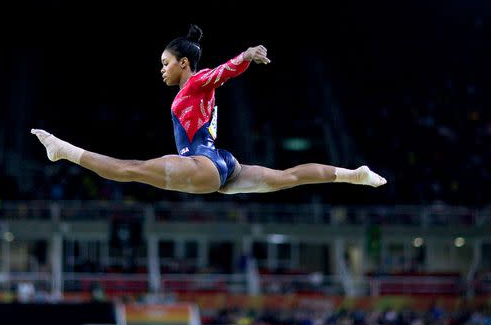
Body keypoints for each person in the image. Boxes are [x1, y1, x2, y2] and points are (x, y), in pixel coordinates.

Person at [31, 24, 386, 195]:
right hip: (223, 163)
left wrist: (245, 57)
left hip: (203, 165)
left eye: (166, 62)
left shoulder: (197, 80)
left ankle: (63, 150)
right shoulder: (194, 87)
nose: (162, 69)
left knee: (130, 169)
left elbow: (221, 73)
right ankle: (352, 174)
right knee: (288, 177)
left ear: (183, 62)